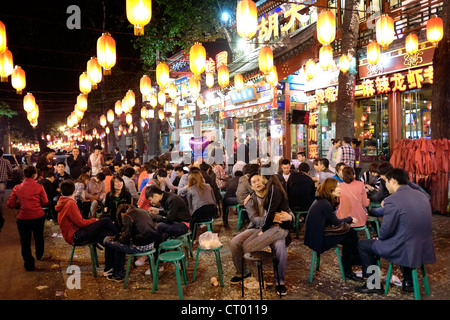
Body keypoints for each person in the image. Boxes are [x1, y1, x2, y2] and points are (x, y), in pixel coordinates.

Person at [355, 168, 436, 294]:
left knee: (364, 245)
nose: (386, 185)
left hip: (404, 248)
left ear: (392, 181)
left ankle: (373, 284)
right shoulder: (422, 196)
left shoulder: (392, 200)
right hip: (423, 246)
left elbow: (384, 233)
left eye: (386, 182)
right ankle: (408, 281)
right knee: (407, 236)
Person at [229, 172, 293, 296]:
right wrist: (270, 218)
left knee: (280, 246)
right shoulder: (251, 200)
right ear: (251, 187)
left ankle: (279, 281)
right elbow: (254, 219)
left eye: (259, 180)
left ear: (264, 181)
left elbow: (288, 211)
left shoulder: (274, 193)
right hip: (256, 228)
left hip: (275, 228)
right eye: (253, 182)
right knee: (234, 242)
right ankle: (242, 272)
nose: (257, 183)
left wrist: (289, 217)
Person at [304, 178, 362, 281]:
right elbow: (336, 222)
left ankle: (353, 261)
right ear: (330, 189)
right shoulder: (325, 203)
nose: (340, 189)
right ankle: (350, 267)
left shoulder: (322, 200)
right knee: (350, 235)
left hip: (315, 235)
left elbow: (331, 221)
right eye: (337, 187)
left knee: (350, 234)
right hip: (318, 239)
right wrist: (350, 219)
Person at [56, 180, 117, 276]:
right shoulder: (70, 204)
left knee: (106, 237)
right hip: (76, 236)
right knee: (106, 220)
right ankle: (122, 242)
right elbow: (81, 223)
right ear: (74, 191)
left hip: (73, 234)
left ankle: (109, 268)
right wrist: (94, 220)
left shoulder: (62, 201)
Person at [103, 205, 165, 282]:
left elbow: (125, 237)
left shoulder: (127, 215)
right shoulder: (142, 211)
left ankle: (117, 273)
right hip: (151, 245)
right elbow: (159, 218)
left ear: (122, 213)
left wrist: (118, 239)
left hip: (139, 247)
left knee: (107, 240)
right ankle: (117, 272)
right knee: (118, 245)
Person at [7, 166, 49, 271]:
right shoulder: (39, 187)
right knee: (39, 236)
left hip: (23, 218)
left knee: (25, 241)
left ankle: (29, 264)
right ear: (34, 175)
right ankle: (39, 254)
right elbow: (45, 202)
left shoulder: (17, 187)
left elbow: (11, 204)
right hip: (38, 216)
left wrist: (19, 205)